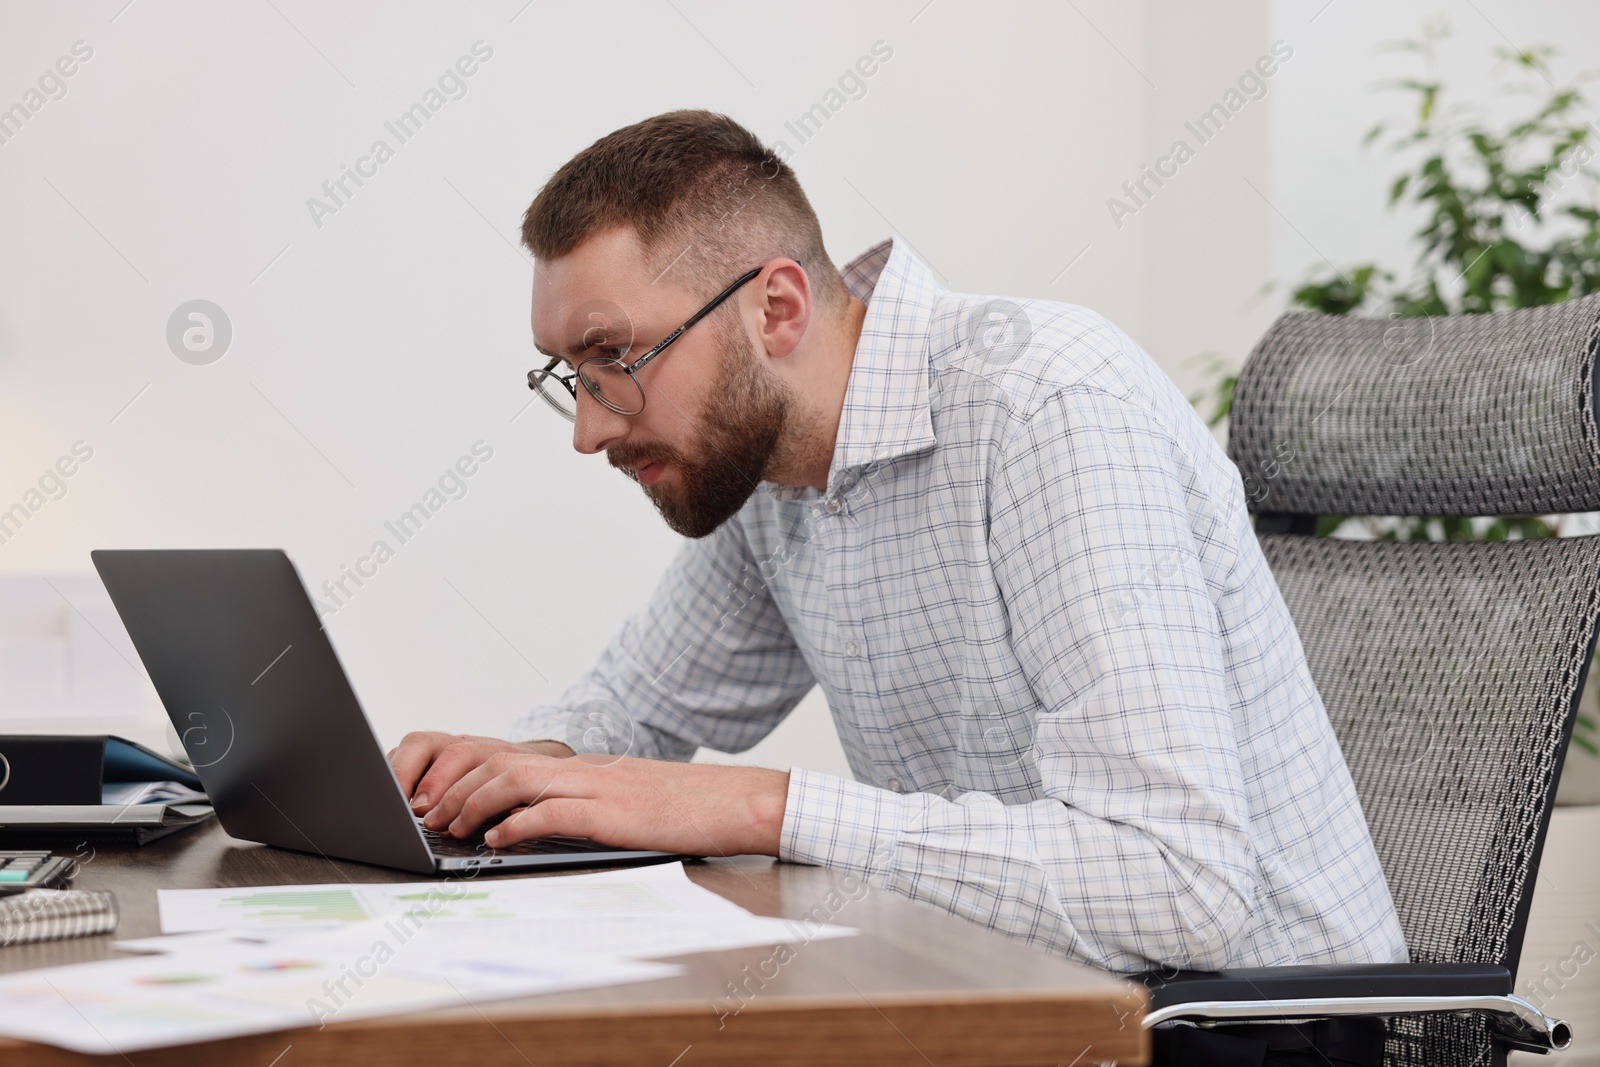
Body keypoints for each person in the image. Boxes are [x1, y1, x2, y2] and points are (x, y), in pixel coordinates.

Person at [389, 109, 1405, 1065]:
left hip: (1242, 1027)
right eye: (569, 373)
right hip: (1017, 994)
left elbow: (1176, 882)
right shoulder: (774, 471)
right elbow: (633, 712)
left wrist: (763, 807)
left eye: (615, 357)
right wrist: (504, 772)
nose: (590, 427)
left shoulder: (1050, 404)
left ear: (773, 308)